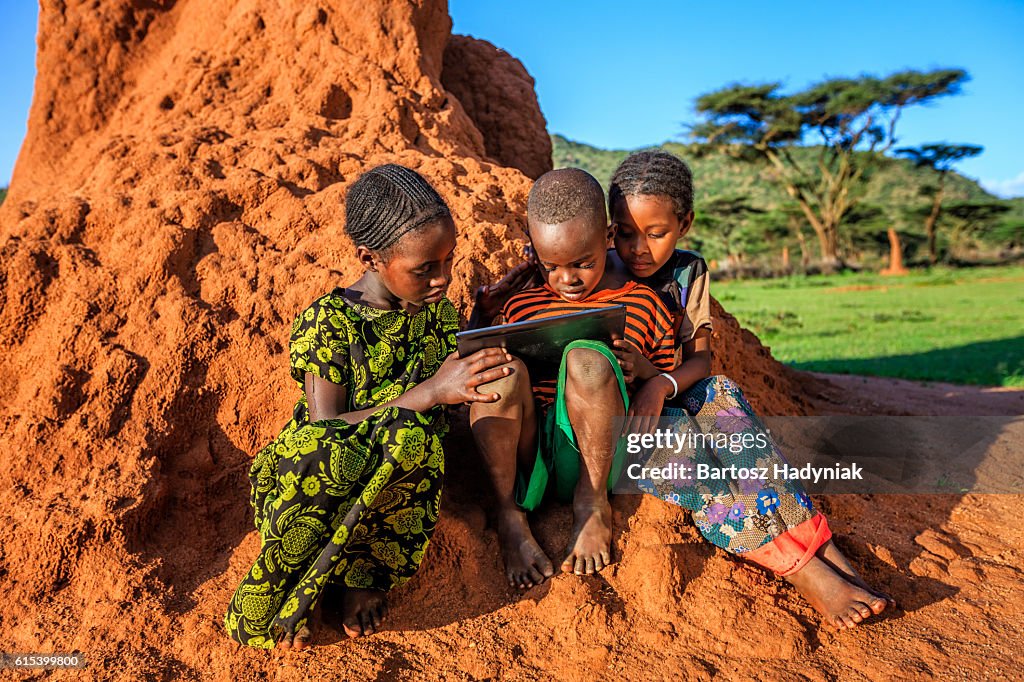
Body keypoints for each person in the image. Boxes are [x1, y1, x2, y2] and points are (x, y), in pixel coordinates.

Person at [224, 164, 515, 649]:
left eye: (448, 262)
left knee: (416, 440)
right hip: (322, 480)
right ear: (370, 258)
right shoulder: (329, 321)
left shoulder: (438, 315)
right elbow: (324, 428)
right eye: (425, 269)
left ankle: (365, 574)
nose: (442, 279)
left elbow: (454, 393)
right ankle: (301, 585)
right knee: (346, 451)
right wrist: (426, 394)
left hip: (398, 482)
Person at [606, 150, 895, 629]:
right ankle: (804, 570)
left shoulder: (687, 271)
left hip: (672, 391)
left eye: (655, 233)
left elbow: (701, 359)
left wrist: (660, 382)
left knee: (726, 403)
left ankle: (822, 547)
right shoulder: (599, 267)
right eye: (625, 232)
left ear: (685, 223)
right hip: (630, 420)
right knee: (702, 464)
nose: (638, 247)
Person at [469, 168, 677, 590]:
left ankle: (593, 503)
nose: (569, 279)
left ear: (607, 236)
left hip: (600, 450)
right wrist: (487, 317)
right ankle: (509, 513)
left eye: (583, 263)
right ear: (533, 251)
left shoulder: (644, 303)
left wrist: (642, 369)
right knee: (498, 374)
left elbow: (669, 377)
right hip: (527, 452)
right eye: (552, 266)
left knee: (586, 358)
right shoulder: (521, 305)